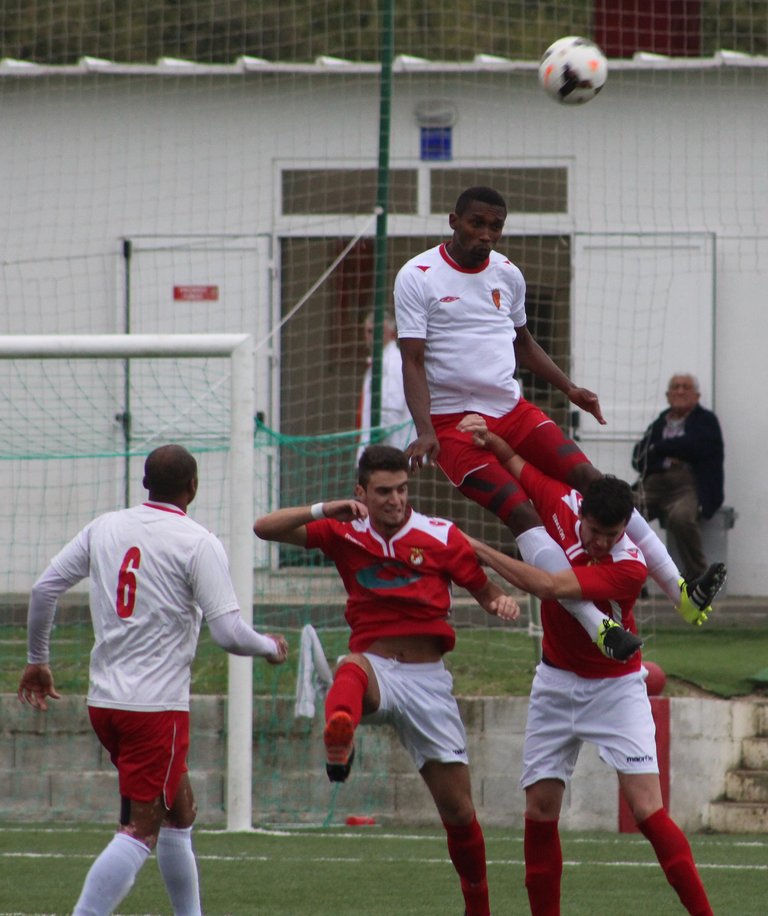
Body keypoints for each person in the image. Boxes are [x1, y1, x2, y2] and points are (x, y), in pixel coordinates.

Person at [394, 185, 726, 632]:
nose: (486, 234)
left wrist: (569, 388)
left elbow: (523, 343)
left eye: (496, 226)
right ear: (454, 222)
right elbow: (412, 360)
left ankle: (681, 592)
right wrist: (426, 430)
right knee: (520, 510)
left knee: (596, 482)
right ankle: (597, 626)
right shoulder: (417, 275)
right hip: (452, 423)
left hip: (511, 410)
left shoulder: (508, 274)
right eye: (477, 224)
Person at [458, 415, 714, 916]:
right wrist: (493, 439)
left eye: (611, 534)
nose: (600, 543)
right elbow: (518, 465)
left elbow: (550, 587)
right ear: (582, 511)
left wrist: (481, 550)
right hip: (554, 683)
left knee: (647, 810)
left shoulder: (630, 565)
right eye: (594, 531)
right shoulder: (559, 503)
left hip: (616, 687)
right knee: (539, 810)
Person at [18, 444, 289, 916]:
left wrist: (37, 659)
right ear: (193, 487)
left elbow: (45, 589)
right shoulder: (198, 542)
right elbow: (228, 633)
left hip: (106, 703)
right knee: (139, 830)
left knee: (180, 813)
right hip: (154, 710)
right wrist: (268, 646)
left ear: (145, 484)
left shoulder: (104, 527)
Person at [254, 444, 520, 916]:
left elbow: (484, 590)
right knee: (350, 667)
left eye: (401, 489)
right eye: (383, 492)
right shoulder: (344, 530)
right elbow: (264, 528)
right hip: (376, 668)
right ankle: (340, 732)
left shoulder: (440, 535)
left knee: (459, 813)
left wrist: (500, 601)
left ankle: (478, 907)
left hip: (427, 682)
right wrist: (325, 509)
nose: (395, 499)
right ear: (361, 492)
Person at [632, 373, 725, 581]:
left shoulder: (706, 421)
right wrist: (664, 460)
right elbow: (638, 457)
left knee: (681, 518)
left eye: (686, 387)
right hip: (653, 485)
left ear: (697, 396)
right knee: (625, 511)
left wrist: (658, 448)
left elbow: (696, 447)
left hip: (686, 487)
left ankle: (700, 577)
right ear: (668, 395)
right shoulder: (660, 422)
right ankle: (632, 573)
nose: (680, 391)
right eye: (675, 387)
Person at [355, 309, 413, 461]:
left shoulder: (392, 362)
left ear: (390, 333)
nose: (368, 337)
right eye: (367, 331)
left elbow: (389, 411)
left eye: (373, 331)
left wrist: (378, 452)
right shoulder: (380, 361)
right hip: (382, 452)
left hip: (386, 455)